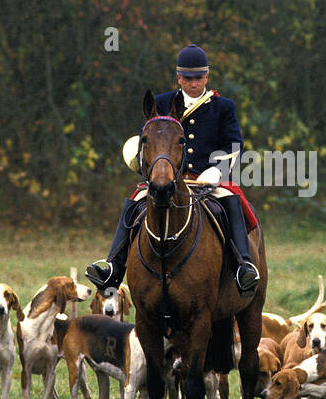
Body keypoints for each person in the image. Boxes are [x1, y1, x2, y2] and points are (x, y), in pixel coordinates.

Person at [85, 44, 261, 294]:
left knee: (232, 200)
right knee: (134, 202)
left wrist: (217, 170)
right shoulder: (161, 103)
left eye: (199, 77)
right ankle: (113, 267)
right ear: (179, 77)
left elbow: (233, 145)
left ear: (207, 76)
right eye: (188, 78)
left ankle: (244, 266)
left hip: (206, 180)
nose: (193, 83)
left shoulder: (223, 107)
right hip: (164, 178)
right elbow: (146, 142)